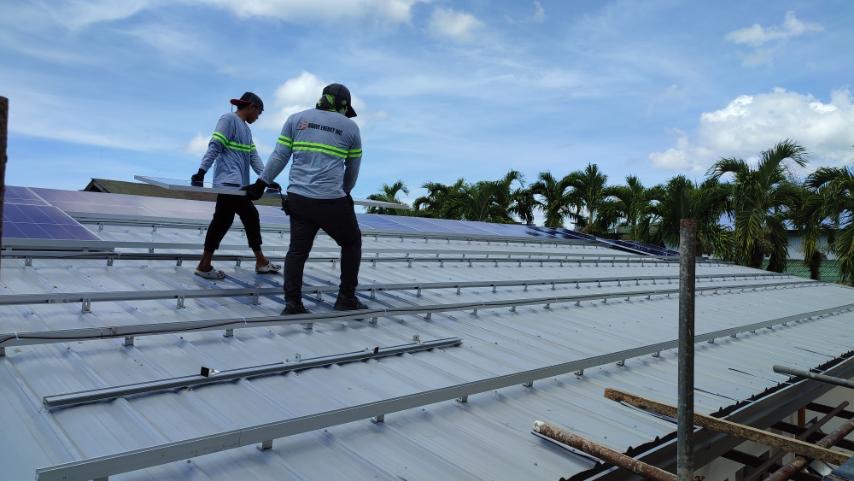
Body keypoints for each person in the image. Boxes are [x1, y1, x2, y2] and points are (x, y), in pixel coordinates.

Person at [246, 83, 364, 314]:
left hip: (298, 199)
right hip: (331, 201)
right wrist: (346, 192)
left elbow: (280, 155)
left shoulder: (296, 119)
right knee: (351, 243)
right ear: (343, 105)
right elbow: (352, 170)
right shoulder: (351, 128)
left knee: (297, 251)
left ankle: (293, 303)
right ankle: (346, 298)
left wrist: (261, 183)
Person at [191, 92, 281, 280]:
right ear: (252, 107)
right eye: (259, 113)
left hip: (238, 186)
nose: (258, 117)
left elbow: (254, 158)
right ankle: (205, 265)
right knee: (226, 221)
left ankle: (259, 261)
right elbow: (215, 145)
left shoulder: (246, 130)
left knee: (240, 218)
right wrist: (201, 171)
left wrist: (267, 179)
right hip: (228, 183)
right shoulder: (228, 119)